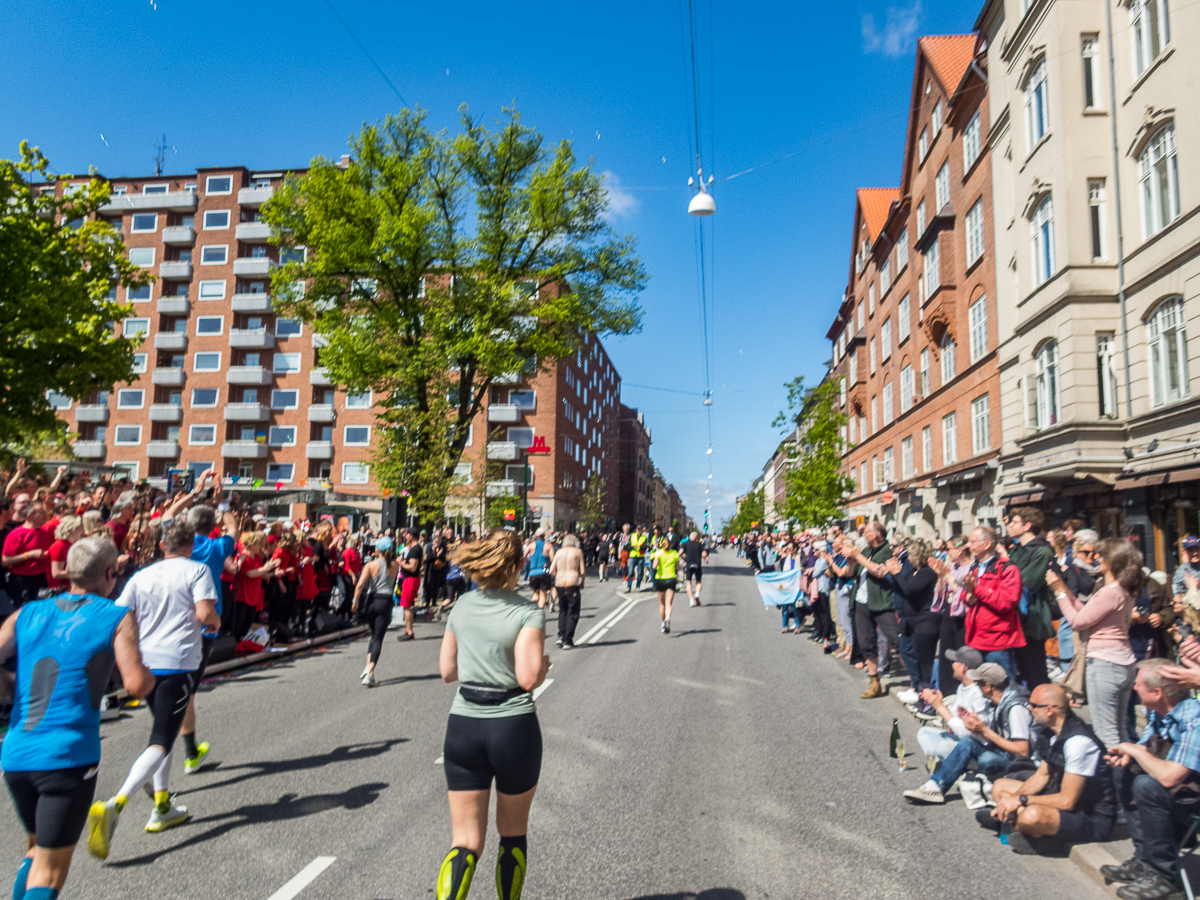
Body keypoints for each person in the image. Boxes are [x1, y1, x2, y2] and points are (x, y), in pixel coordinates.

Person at [0, 537, 155, 900]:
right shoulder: (115, 615)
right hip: (67, 759)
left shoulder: (27, 613)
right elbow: (135, 684)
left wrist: (11, 685)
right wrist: (152, 676)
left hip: (17, 754)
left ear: (67, 572)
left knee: (36, 850)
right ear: (110, 574)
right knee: (50, 874)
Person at [86, 519, 221, 858]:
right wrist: (215, 622)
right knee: (161, 740)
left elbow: (118, 614)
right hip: (178, 662)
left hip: (144, 662)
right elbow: (206, 613)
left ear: (162, 546)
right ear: (191, 545)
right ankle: (116, 804)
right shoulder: (197, 571)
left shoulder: (141, 575)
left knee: (165, 733)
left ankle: (162, 806)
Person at [436, 530, 549, 900]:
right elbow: (528, 677)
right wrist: (544, 667)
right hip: (512, 725)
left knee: (465, 841)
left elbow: (447, 671)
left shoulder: (463, 606)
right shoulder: (527, 612)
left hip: (464, 724)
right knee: (512, 834)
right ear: (520, 566)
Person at [1102, 658, 1200, 900]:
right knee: (1126, 769)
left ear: (1157, 693)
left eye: (1138, 684)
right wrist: (1128, 755)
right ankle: (1143, 859)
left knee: (1147, 785)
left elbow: (1169, 777)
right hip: (1183, 789)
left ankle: (1164, 876)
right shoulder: (1159, 712)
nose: (1134, 688)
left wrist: (1136, 751)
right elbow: (1145, 749)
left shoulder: (1194, 719)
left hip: (1193, 792)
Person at [987, 684, 1117, 855]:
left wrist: (1022, 800)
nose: (1029, 708)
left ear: (1049, 710)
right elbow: (1042, 775)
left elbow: (1067, 801)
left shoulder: (1078, 743)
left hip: (1090, 817)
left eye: (1033, 705)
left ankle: (1028, 832)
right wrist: (1012, 800)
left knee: (1031, 815)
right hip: (1061, 800)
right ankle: (1015, 824)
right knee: (1000, 786)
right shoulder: (1050, 732)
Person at [1048, 538, 1142, 753]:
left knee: (1105, 733)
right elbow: (1089, 613)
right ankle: (1127, 777)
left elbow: (1078, 622)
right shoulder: (1123, 590)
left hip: (1105, 663)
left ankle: (1113, 784)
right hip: (1122, 661)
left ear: (1112, 561)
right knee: (1120, 730)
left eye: (1102, 555)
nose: (1097, 559)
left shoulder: (1110, 592)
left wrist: (1058, 592)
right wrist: (1066, 591)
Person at [903, 662, 1032, 805]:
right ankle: (935, 787)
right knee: (967, 743)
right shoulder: (998, 701)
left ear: (988, 686)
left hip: (1022, 763)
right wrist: (975, 726)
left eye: (979, 683)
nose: (976, 686)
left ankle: (965, 779)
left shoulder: (1015, 708)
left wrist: (984, 730)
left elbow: (1023, 751)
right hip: (1004, 752)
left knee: (986, 759)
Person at [938, 526, 1025, 682]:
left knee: (1003, 686)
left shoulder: (1007, 568)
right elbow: (967, 593)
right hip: (976, 638)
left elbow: (1006, 602)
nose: (967, 546)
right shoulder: (975, 566)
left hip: (998, 641)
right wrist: (967, 596)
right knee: (982, 687)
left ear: (986, 544)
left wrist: (976, 589)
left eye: (972, 541)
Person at [850, 522, 902, 700]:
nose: (863, 535)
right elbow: (852, 573)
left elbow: (877, 570)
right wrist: (851, 559)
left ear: (876, 535)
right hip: (862, 602)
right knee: (866, 642)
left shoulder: (887, 550)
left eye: (866, 532)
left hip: (881, 603)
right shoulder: (865, 552)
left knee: (897, 639)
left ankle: (918, 683)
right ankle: (874, 683)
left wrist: (857, 555)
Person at [915, 646, 989, 768]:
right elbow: (953, 718)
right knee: (924, 732)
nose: (951, 664)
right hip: (958, 739)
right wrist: (937, 701)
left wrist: (939, 707)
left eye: (955, 661)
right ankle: (948, 761)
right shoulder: (962, 687)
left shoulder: (978, 694)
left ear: (963, 668)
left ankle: (965, 764)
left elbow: (967, 733)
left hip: (973, 746)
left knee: (942, 746)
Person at [1007, 506, 1056, 689]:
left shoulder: (1042, 552)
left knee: (1035, 671)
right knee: (1020, 670)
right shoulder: (1017, 549)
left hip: (1033, 618)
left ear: (1027, 525)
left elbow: (1026, 581)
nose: (1010, 525)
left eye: (1014, 521)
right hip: (1015, 617)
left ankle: (1045, 709)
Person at [351, 536, 399, 687]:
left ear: (377, 549)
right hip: (385, 601)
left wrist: (355, 601)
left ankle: (369, 674)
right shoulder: (395, 565)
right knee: (378, 638)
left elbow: (360, 585)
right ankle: (369, 668)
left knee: (373, 636)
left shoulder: (370, 565)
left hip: (371, 601)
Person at [2, 503, 53, 607]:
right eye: (41, 512)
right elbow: (5, 561)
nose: (45, 514)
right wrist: (28, 555)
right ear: (30, 515)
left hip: (41, 578)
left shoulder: (44, 532)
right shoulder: (16, 534)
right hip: (21, 580)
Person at [548, 533, 585, 649]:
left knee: (562, 610)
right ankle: (568, 640)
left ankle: (561, 635)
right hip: (572, 582)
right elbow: (582, 570)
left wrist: (557, 575)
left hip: (559, 582)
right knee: (573, 611)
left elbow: (551, 570)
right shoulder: (578, 552)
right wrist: (582, 582)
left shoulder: (559, 552)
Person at [45, 516, 83, 594]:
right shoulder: (59, 546)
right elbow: (56, 573)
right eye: (80, 528)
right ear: (72, 529)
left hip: (68, 588)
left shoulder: (70, 544)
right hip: (58, 590)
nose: (83, 531)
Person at [395, 529, 421, 640]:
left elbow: (413, 567)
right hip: (411, 579)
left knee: (406, 606)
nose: (405, 536)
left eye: (407, 534)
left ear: (412, 536)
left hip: (411, 579)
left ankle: (410, 632)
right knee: (406, 605)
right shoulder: (416, 549)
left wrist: (401, 563)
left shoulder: (415, 549)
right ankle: (408, 630)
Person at [651, 536, 680, 634]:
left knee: (662, 603)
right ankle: (668, 617)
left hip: (660, 579)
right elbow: (678, 567)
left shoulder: (658, 553)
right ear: (670, 545)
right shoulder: (675, 553)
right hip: (671, 578)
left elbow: (654, 566)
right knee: (669, 603)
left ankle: (663, 623)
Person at [525, 529, 553, 609]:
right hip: (544, 570)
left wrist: (529, 562)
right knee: (542, 593)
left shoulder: (531, 545)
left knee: (535, 592)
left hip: (533, 571)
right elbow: (552, 559)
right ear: (544, 535)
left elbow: (524, 555)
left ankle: (534, 608)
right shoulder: (548, 545)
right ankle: (539, 611)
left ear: (536, 535)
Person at [682, 530, 706, 607]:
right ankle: (697, 594)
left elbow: (680, 552)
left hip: (689, 565)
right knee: (698, 582)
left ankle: (691, 600)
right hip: (697, 565)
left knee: (688, 582)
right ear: (696, 537)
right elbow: (704, 555)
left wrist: (684, 558)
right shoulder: (699, 545)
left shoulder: (685, 544)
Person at [626, 525, 648, 592]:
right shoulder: (632, 536)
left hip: (640, 556)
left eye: (640, 529)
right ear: (636, 530)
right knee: (630, 572)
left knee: (640, 573)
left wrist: (639, 547)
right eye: (638, 529)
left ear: (642, 530)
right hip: (633, 556)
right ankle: (628, 587)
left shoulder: (644, 537)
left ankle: (638, 586)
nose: (639, 531)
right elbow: (628, 545)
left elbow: (645, 546)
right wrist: (633, 546)